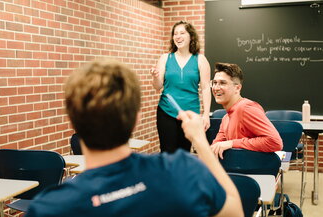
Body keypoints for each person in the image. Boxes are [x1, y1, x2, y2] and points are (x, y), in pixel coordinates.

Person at [25, 59, 243, 217]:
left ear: (72, 120)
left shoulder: (48, 209)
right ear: (136, 117)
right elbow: (234, 209)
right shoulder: (182, 169)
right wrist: (200, 141)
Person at [151, 20, 211, 153]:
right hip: (166, 111)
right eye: (175, 34)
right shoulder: (165, 58)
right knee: (167, 152)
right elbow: (157, 87)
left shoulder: (200, 60)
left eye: (182, 33)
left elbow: (206, 88)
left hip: (190, 113)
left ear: (191, 36)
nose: (178, 36)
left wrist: (206, 115)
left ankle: (180, 174)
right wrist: (155, 77)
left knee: (183, 152)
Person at [210, 62, 283, 159]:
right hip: (237, 168)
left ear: (237, 88)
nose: (216, 88)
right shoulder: (226, 118)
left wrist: (232, 143)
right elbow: (215, 147)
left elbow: (275, 142)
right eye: (214, 83)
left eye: (222, 83)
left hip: (254, 171)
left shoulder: (246, 108)